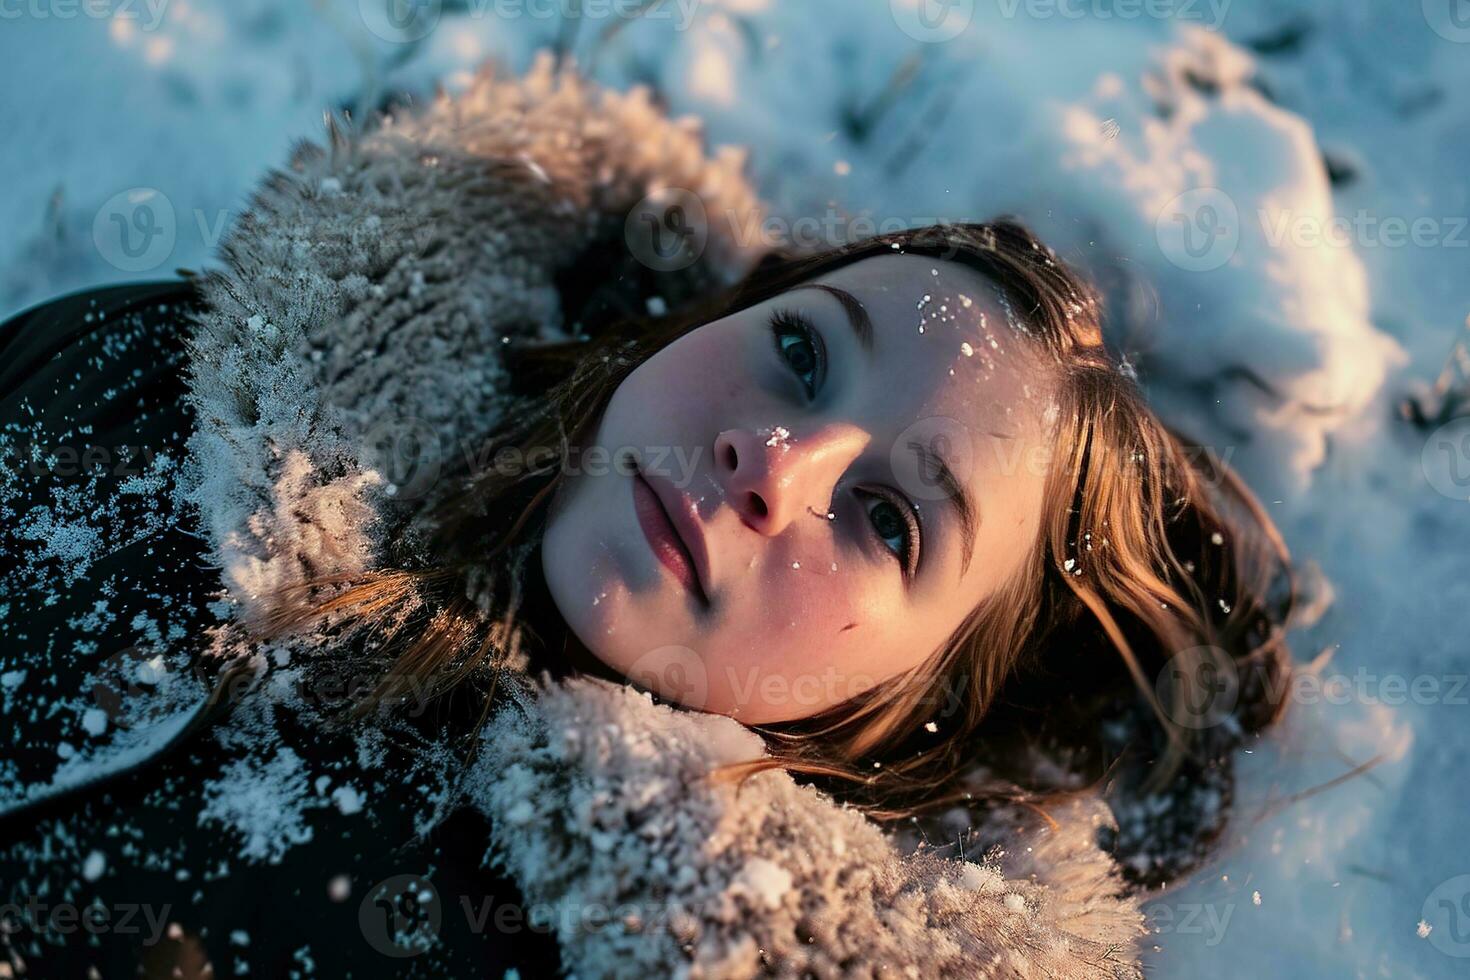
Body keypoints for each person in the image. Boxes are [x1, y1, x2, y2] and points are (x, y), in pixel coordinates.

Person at [0, 58, 1292, 978]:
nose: (769, 459)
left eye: (890, 521)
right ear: (698, 317)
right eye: (798, 351)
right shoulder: (147, 380)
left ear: (917, 712)